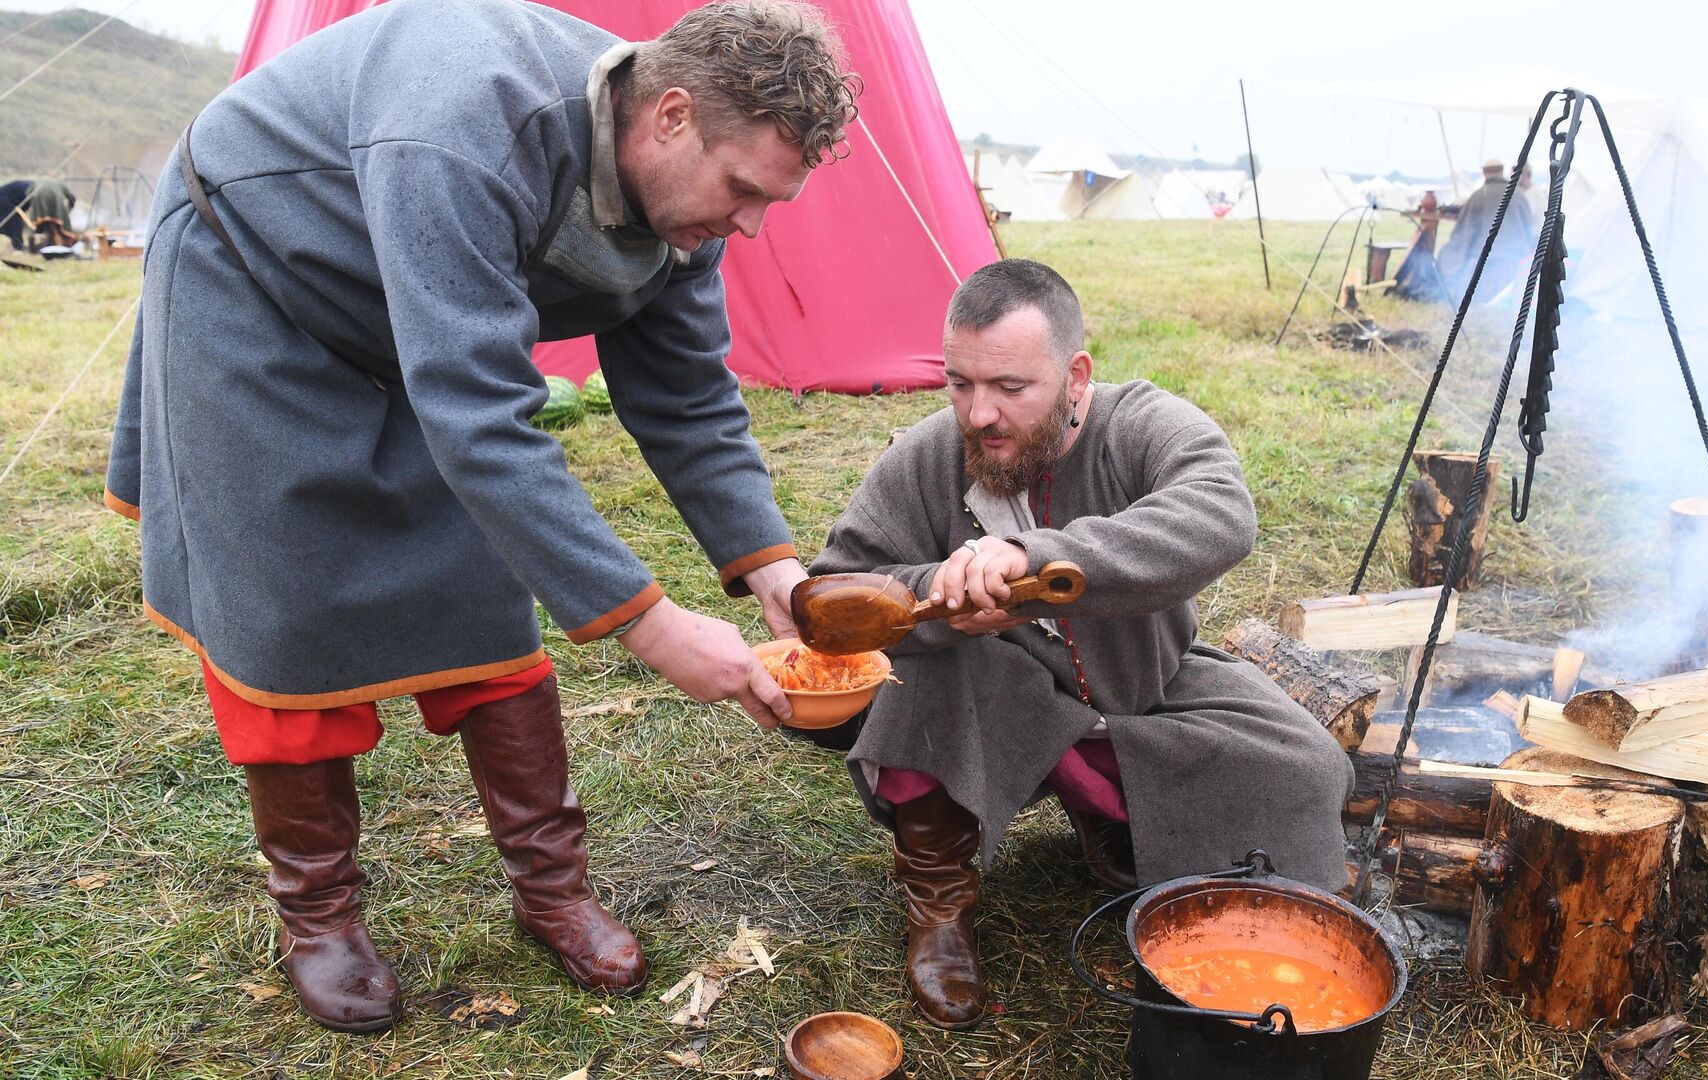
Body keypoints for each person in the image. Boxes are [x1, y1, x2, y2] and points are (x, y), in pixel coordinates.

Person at [104, 0, 856, 1035]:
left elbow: (685, 397)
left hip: (407, 316)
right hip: (255, 288)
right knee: (285, 612)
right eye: (742, 191)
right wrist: (650, 623)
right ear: (671, 115)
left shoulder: (685, 203)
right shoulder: (464, 123)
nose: (751, 225)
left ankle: (553, 890)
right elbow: (477, 412)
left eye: (770, 201)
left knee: (482, 593)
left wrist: (777, 573)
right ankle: (320, 920)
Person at [806, 259, 1353, 1030]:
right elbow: (836, 590)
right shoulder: (929, 456)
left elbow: (1221, 513)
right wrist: (944, 590)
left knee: (1309, 768)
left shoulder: (1142, 424)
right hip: (995, 693)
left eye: (1009, 388)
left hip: (1143, 683)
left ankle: (1118, 823)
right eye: (960, 383)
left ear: (1075, 375)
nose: (979, 412)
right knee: (932, 673)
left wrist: (1038, 559)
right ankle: (939, 905)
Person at [1436, 158, 1537, 298]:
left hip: (1484, 264)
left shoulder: (1477, 196)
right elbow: (1530, 230)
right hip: (1515, 263)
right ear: (1502, 172)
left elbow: (1463, 236)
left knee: (1446, 254)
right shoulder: (1519, 195)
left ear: (1484, 173)